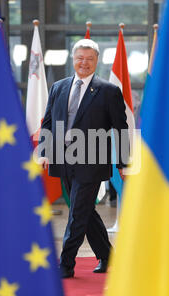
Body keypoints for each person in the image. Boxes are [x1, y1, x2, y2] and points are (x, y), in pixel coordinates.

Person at [39, 39, 129, 278]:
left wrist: (124, 162)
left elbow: (121, 128)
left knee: (77, 213)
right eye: (80, 58)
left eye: (89, 59)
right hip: (63, 157)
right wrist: (44, 152)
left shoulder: (108, 91)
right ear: (73, 58)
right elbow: (48, 122)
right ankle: (107, 255)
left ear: (96, 61)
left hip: (93, 158)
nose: (84, 63)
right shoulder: (58, 87)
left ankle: (65, 265)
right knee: (85, 210)